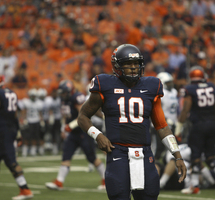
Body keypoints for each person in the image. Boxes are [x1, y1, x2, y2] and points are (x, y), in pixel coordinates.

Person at [77, 44, 187, 200]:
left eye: (136, 63)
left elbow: (162, 126)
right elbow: (83, 116)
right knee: (119, 196)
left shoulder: (151, 86)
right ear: (117, 66)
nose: (134, 68)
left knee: (149, 196)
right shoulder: (105, 85)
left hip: (145, 153)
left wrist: (177, 155)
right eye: (128, 64)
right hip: (118, 152)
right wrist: (98, 135)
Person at [175, 66, 215, 194]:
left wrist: (178, 129)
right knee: (211, 155)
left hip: (198, 125)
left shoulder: (190, 89)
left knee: (196, 155)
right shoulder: (211, 86)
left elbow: (185, 109)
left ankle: (195, 186)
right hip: (211, 124)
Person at [45, 80, 106, 191]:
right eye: (61, 93)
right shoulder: (64, 100)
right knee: (66, 156)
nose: (62, 95)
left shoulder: (77, 97)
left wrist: (71, 126)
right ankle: (59, 182)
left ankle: (105, 180)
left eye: (64, 92)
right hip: (73, 134)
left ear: (70, 91)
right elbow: (65, 116)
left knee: (92, 157)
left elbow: (83, 115)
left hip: (83, 131)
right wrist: (64, 128)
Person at [154, 72, 179, 160]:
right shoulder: (159, 93)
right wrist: (166, 119)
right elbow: (156, 110)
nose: (170, 84)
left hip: (173, 124)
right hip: (161, 125)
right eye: (167, 82)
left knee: (172, 148)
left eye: (170, 82)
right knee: (158, 149)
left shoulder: (174, 92)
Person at [18, 88, 44, 157]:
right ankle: (25, 150)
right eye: (32, 96)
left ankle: (33, 150)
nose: (33, 97)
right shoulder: (26, 102)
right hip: (29, 121)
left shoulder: (39, 103)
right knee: (26, 137)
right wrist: (23, 120)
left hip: (36, 120)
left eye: (34, 96)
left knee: (35, 136)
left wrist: (42, 120)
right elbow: (24, 112)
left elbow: (40, 113)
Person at [45, 85, 62, 155]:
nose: (55, 94)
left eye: (55, 92)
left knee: (58, 133)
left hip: (58, 118)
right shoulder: (49, 100)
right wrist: (50, 118)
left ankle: (58, 147)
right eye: (53, 92)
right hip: (52, 119)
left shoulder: (60, 99)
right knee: (52, 133)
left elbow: (62, 109)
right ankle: (54, 147)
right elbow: (49, 110)